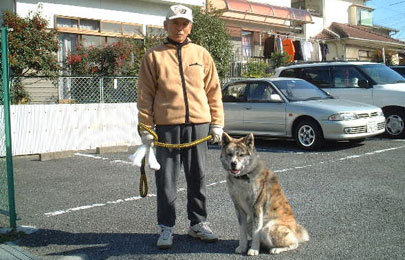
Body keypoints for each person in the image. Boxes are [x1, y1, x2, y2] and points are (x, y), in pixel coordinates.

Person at [137, 4, 224, 249]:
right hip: (166, 127)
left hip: (198, 125)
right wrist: (145, 126)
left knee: (198, 177)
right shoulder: (153, 56)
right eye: (175, 23)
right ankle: (166, 227)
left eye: (184, 24)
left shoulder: (201, 54)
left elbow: (214, 91)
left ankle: (198, 224)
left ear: (190, 27)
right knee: (166, 180)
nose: (180, 27)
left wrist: (217, 123)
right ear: (166, 25)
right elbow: (145, 94)